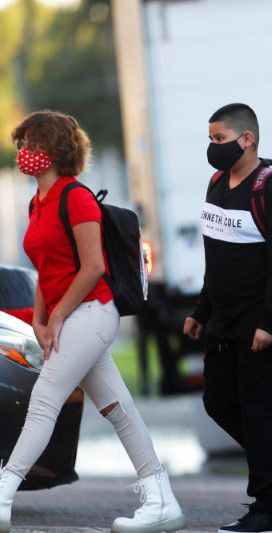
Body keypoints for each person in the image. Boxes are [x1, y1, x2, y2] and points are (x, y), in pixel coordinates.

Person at [0, 111, 186, 533]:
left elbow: (92, 268)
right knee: (120, 409)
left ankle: (3, 494)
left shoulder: (76, 198)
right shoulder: (37, 202)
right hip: (68, 316)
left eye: (28, 145)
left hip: (93, 312)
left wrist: (59, 315)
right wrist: (41, 322)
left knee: (44, 399)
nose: (22, 154)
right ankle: (162, 501)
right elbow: (47, 271)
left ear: (49, 149)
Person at [183, 103, 272, 533]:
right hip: (225, 322)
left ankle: (266, 509)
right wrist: (201, 311)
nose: (213, 148)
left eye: (219, 139)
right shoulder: (216, 185)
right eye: (210, 140)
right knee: (218, 402)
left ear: (248, 139)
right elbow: (217, 257)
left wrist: (270, 322)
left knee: (260, 413)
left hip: (262, 326)